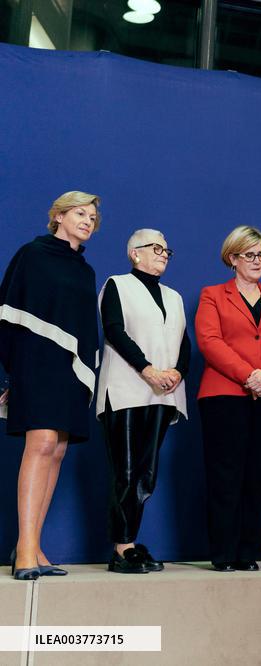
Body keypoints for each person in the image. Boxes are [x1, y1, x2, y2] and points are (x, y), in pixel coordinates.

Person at [0, 191, 101, 580]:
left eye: (92, 217)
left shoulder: (84, 270)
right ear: (58, 216)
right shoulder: (33, 254)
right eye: (80, 213)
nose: (88, 221)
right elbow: (7, 311)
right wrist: (8, 374)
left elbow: (84, 331)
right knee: (40, 442)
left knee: (57, 450)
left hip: (70, 370)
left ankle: (34, 544)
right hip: (36, 363)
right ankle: (24, 547)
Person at [195, 225, 261, 572]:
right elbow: (210, 341)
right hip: (225, 395)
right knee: (226, 474)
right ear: (232, 258)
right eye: (250, 255)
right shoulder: (212, 295)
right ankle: (224, 553)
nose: (257, 261)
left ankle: (248, 552)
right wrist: (248, 376)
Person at [97, 229, 191, 574]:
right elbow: (114, 330)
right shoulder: (116, 285)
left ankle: (130, 542)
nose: (164, 254)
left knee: (145, 473)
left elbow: (185, 343)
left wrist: (178, 372)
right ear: (135, 253)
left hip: (163, 393)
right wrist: (148, 369)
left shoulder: (174, 296)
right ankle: (122, 547)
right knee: (125, 468)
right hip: (125, 390)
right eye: (156, 248)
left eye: (167, 249)